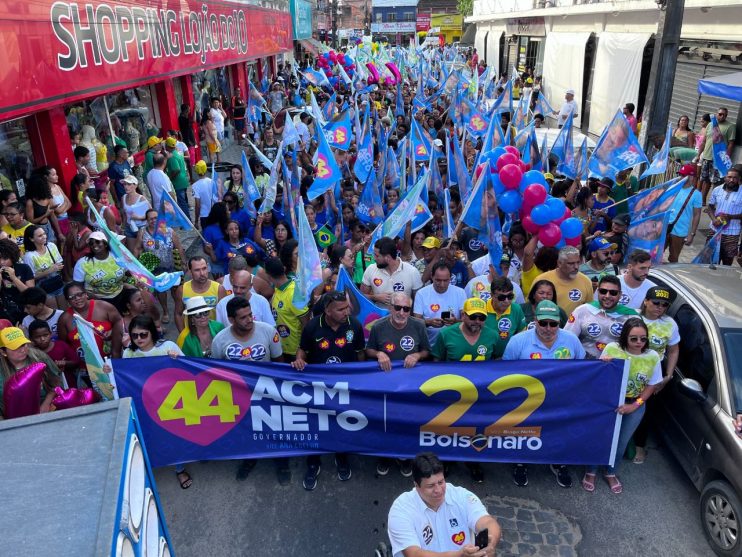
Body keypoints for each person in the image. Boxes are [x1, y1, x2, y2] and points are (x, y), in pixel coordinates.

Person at [503, 300, 586, 488]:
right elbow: (505, 372)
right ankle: (521, 463)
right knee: (524, 433)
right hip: (527, 400)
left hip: (560, 399)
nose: (548, 328)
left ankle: (558, 462)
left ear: (559, 322)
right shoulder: (518, 341)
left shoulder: (571, 340)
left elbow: (583, 368)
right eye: (543, 323)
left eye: (553, 324)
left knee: (559, 432)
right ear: (536, 321)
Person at [291, 290, 365, 491]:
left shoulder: (355, 326)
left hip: (344, 389)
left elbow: (361, 357)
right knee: (315, 425)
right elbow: (302, 350)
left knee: (341, 423)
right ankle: (313, 462)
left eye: (347, 307)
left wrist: (363, 382)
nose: (346, 311)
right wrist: (299, 360)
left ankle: (341, 456)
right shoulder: (313, 326)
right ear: (327, 310)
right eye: (341, 309)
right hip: (318, 388)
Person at [582, 317, 662, 494]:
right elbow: (599, 376)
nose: (639, 342)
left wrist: (635, 405)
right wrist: (603, 364)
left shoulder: (652, 356)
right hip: (608, 401)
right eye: (634, 338)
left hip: (635, 403)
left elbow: (652, 385)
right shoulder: (612, 349)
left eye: (643, 339)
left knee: (621, 441)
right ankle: (591, 471)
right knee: (600, 437)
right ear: (625, 337)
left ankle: (611, 472)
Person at [387, 452, 501, 557]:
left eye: (441, 482)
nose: (438, 490)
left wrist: (491, 542)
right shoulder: (401, 510)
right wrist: (458, 555)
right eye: (430, 486)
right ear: (416, 486)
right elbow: (415, 554)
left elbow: (487, 522)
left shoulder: (461, 496)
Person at [633, 286, 680, 464]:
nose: (660, 307)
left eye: (664, 305)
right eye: (656, 303)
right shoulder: (632, 317)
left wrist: (668, 375)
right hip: (630, 365)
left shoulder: (670, 324)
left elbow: (674, 350)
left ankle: (639, 444)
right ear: (646, 301)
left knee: (645, 408)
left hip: (654, 370)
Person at [564, 275, 638, 359]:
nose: (607, 296)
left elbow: (637, 347)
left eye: (613, 293)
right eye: (603, 291)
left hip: (613, 366)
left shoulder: (631, 316)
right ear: (598, 292)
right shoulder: (582, 311)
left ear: (620, 294)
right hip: (584, 365)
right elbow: (567, 340)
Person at [135, 209, 186, 327]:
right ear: (147, 221)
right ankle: (166, 312)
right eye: (151, 218)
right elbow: (137, 248)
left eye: (156, 218)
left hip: (172, 265)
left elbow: (178, 247)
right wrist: (136, 264)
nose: (154, 220)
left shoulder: (168, 231)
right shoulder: (143, 232)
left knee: (176, 290)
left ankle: (180, 310)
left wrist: (184, 262)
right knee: (161, 291)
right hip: (155, 269)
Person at [0, 327, 62, 417]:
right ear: (3, 352)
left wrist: (46, 404)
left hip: (46, 413)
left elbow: (57, 382)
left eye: (23, 344)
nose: (22, 350)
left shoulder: (39, 357)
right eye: (15, 348)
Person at [57, 281, 123, 359]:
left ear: (86, 294)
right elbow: (64, 345)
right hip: (83, 366)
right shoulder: (64, 319)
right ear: (68, 301)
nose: (77, 298)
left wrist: (113, 331)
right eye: (72, 297)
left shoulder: (104, 306)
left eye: (80, 294)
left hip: (111, 359)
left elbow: (120, 322)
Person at [265, 257, 311, 362]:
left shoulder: (294, 294)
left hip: (295, 353)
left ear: (268, 276)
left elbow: (306, 323)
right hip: (281, 348)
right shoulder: (278, 288)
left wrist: (302, 349)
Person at [72, 230, 128, 311]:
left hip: (120, 295)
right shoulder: (82, 263)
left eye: (98, 242)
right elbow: (77, 287)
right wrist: (92, 297)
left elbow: (127, 274)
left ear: (105, 244)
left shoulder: (118, 257)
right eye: (91, 243)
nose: (94, 245)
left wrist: (131, 284)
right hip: (96, 300)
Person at [412, 262, 467, 344]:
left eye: (445, 280)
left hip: (454, 342)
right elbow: (416, 321)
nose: (442, 284)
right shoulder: (421, 294)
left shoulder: (460, 293)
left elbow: (466, 321)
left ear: (450, 278)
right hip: (429, 343)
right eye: (438, 280)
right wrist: (429, 322)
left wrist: (455, 321)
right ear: (432, 276)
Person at [361, 236, 423, 307]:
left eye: (377, 256)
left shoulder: (412, 272)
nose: (374, 258)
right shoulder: (370, 269)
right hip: (379, 317)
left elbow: (419, 302)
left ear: (387, 258)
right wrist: (375, 297)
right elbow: (361, 296)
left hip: (403, 317)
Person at [534, 246, 593, 316]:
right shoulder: (542, 280)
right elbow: (531, 307)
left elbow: (589, 310)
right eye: (571, 263)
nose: (576, 267)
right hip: (548, 325)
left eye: (578, 262)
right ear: (559, 263)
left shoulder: (585, 281)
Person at [27, 319, 80, 391]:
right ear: (31, 338)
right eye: (37, 337)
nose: (42, 339)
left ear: (50, 333)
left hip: (69, 386)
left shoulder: (61, 345)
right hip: (48, 390)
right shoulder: (32, 353)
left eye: (45, 335)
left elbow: (76, 361)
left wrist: (65, 363)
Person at [705, 167, 742, 266]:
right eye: (729, 177)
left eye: (735, 178)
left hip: (732, 233)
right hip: (714, 230)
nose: (731, 180)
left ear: (739, 179)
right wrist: (713, 220)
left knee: (727, 260)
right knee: (708, 257)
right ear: (725, 177)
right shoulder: (717, 190)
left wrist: (731, 217)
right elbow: (710, 207)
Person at [484, 276, 527, 359]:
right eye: (502, 297)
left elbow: (522, 334)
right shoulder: (482, 309)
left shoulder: (516, 309)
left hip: (508, 359)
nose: (507, 301)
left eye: (510, 296)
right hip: (485, 359)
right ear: (492, 295)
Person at [666, 164, 702, 263]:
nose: (681, 177)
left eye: (683, 175)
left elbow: (697, 215)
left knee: (673, 259)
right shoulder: (673, 188)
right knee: (655, 255)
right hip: (664, 228)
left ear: (691, 177)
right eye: (680, 174)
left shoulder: (696, 194)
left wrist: (692, 234)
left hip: (679, 231)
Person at [699, 107, 736, 204]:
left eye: (724, 115)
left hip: (718, 160)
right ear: (716, 114)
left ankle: (713, 202)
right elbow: (704, 140)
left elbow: (731, 143)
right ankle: (703, 201)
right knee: (705, 180)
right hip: (707, 157)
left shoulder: (730, 126)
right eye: (720, 114)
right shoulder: (710, 124)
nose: (722, 116)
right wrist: (699, 154)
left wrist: (726, 158)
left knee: (716, 182)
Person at [22, 225, 65, 308]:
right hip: (44, 289)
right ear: (31, 239)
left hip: (57, 284)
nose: (44, 237)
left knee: (64, 310)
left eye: (44, 234)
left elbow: (59, 263)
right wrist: (49, 270)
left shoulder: (51, 246)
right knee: (53, 312)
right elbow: (30, 277)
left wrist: (57, 268)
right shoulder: (29, 256)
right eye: (40, 236)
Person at [0, 238, 35, 324]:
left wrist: (14, 278)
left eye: (5, 258)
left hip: (25, 310)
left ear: (12, 256)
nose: (1, 262)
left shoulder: (24, 268)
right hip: (4, 313)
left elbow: (31, 294)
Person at [182, 256, 226, 320]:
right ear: (189, 271)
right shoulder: (182, 290)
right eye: (197, 270)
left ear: (208, 268)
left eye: (204, 268)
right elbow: (178, 314)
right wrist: (183, 330)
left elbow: (224, 314)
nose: (202, 273)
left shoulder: (219, 289)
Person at [25, 172, 61, 245]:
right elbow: (31, 221)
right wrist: (46, 214)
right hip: (38, 228)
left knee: (53, 244)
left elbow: (52, 215)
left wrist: (59, 233)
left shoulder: (47, 197)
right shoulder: (30, 202)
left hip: (48, 225)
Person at [120, 175, 150, 251]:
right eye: (125, 184)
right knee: (133, 252)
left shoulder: (142, 198)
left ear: (135, 185)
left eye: (129, 184)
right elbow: (124, 214)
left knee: (144, 250)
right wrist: (123, 228)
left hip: (142, 228)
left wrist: (138, 217)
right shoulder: (123, 198)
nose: (126, 187)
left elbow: (151, 214)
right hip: (129, 228)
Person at [164, 137, 191, 218]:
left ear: (168, 146)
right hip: (184, 180)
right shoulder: (179, 153)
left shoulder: (172, 157)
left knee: (182, 203)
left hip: (178, 183)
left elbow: (176, 170)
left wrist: (170, 178)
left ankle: (187, 220)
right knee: (184, 201)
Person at [192, 160, 218, 230]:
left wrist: (196, 221)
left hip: (204, 215)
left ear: (196, 172)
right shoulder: (212, 181)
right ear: (206, 170)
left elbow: (197, 205)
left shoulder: (195, 186)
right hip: (214, 213)